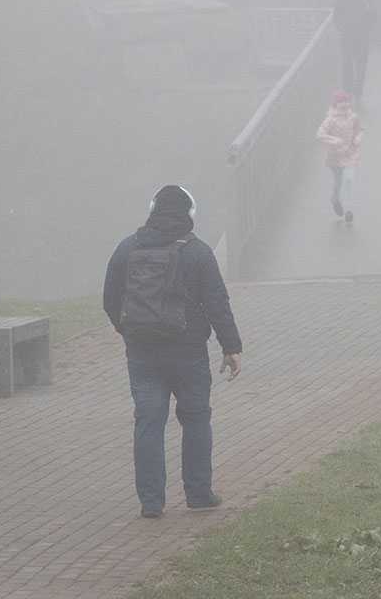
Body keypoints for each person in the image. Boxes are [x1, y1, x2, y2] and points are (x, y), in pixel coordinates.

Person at [103, 185, 243, 520]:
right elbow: (217, 304)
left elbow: (110, 300)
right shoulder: (197, 252)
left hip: (142, 355)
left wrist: (130, 333)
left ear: (152, 209)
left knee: (148, 421)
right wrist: (231, 347)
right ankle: (198, 494)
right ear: (190, 215)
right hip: (188, 353)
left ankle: (151, 502)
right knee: (195, 420)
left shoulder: (126, 248)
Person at [315, 90, 364, 223]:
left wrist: (357, 140)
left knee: (349, 179)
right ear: (335, 104)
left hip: (350, 154)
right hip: (335, 157)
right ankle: (335, 199)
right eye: (340, 102)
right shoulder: (330, 119)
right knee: (338, 182)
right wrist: (334, 141)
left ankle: (348, 210)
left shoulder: (353, 117)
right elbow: (319, 134)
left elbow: (360, 129)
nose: (343, 104)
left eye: (345, 101)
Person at [332, 0, 378, 103]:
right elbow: (336, 17)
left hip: (362, 39)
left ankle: (358, 93)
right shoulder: (342, 1)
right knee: (347, 66)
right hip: (347, 38)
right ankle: (347, 92)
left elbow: (374, 15)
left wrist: (367, 28)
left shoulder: (365, 0)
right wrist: (343, 29)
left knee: (361, 67)